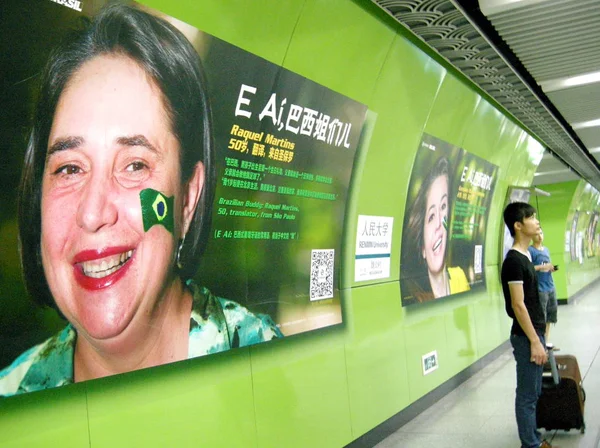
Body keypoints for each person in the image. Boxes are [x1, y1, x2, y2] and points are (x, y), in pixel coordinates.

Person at [0, 4, 282, 397]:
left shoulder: (262, 369)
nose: (93, 212)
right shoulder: (15, 396)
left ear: (187, 200)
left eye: (134, 165)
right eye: (70, 169)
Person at [502, 202, 553, 448]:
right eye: (531, 217)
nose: (536, 220)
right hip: (526, 337)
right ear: (518, 225)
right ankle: (531, 445)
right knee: (527, 395)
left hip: (533, 333)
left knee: (533, 392)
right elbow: (518, 305)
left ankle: (532, 439)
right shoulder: (514, 261)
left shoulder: (526, 256)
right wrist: (534, 341)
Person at [402, 156, 470, 303]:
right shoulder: (415, 299)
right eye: (431, 216)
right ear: (422, 248)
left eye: (443, 207)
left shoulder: (459, 277)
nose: (440, 222)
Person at [528, 229, 558, 346]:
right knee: (542, 316)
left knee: (550, 315)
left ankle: (546, 341)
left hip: (550, 286)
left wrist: (551, 268)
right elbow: (530, 268)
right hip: (540, 289)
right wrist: (541, 267)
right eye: (536, 234)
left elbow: (547, 266)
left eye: (541, 233)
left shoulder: (546, 250)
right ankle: (540, 342)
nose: (539, 236)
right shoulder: (530, 251)